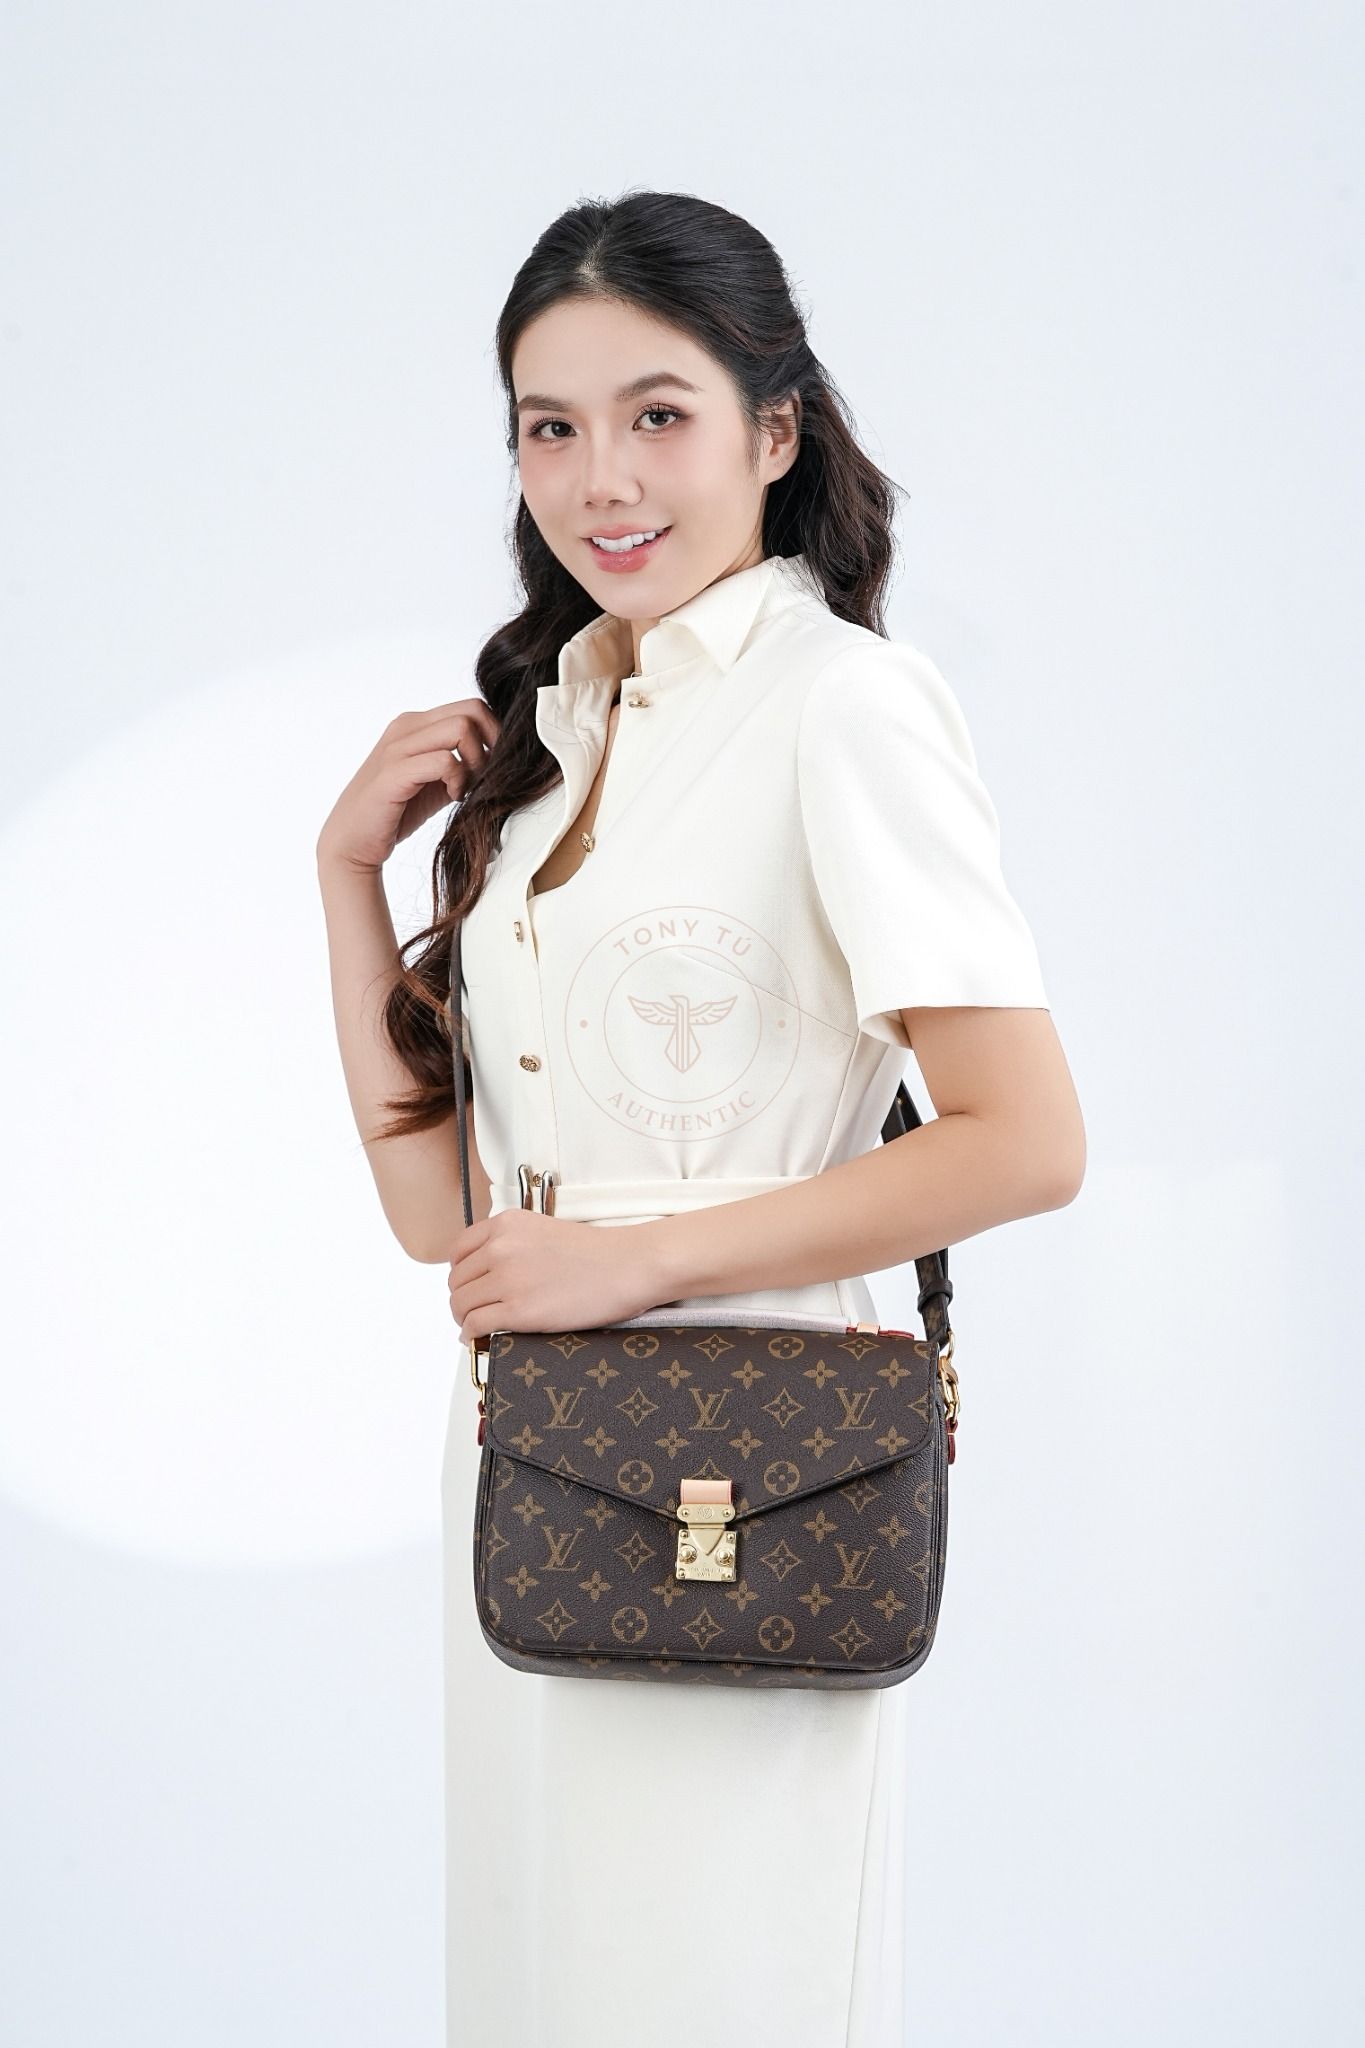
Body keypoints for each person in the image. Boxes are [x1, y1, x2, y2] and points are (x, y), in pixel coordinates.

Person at [316, 190, 1086, 2048]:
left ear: (775, 429)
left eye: (656, 414)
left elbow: (1022, 1140)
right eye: (549, 426)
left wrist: (634, 1264)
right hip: (531, 1465)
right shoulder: (558, 739)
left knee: (712, 1989)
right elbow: (445, 1224)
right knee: (543, 1988)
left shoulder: (843, 708)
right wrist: (347, 876)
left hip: (754, 1474)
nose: (600, 480)